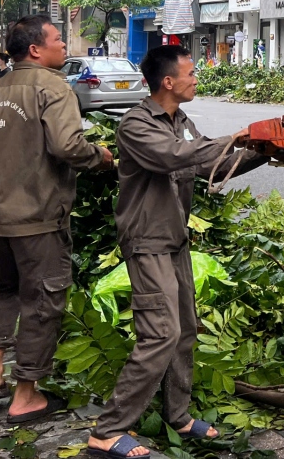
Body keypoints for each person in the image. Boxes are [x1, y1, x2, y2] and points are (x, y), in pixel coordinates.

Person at [88, 45, 269, 459]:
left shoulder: (182, 121)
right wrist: (238, 135)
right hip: (147, 241)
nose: (195, 78)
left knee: (185, 329)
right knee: (160, 334)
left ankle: (179, 416)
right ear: (167, 81)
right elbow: (173, 156)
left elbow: (213, 164)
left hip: (175, 241)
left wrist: (269, 150)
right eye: (190, 73)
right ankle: (108, 430)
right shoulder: (136, 125)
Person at [0, 16, 114, 423]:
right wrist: (99, 157)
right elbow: (68, 145)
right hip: (36, 215)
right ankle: (25, 395)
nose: (64, 46)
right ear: (35, 49)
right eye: (58, 40)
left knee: (2, 290)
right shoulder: (52, 87)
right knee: (42, 300)